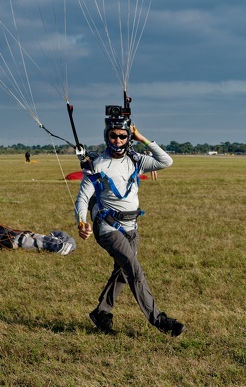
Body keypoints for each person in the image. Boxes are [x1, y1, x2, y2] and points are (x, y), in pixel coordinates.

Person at [75, 115, 185, 337]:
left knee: (124, 271)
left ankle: (101, 312)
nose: (117, 140)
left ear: (128, 137)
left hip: (131, 226)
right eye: (113, 136)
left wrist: (142, 138)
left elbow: (166, 161)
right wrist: (81, 221)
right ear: (106, 137)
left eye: (122, 136)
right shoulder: (96, 164)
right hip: (107, 227)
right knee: (134, 270)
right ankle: (159, 320)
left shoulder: (136, 160)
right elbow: (82, 197)